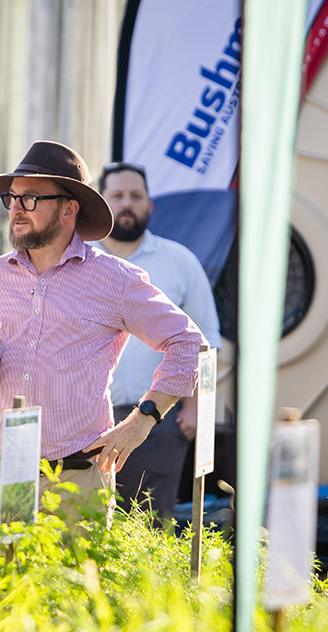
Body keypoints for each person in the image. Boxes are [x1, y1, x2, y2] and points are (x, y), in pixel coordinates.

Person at [0, 141, 206, 522]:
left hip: (76, 482)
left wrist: (142, 421)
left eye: (30, 199)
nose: (15, 209)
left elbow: (188, 342)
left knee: (74, 582)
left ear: (68, 209)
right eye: (11, 198)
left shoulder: (115, 280)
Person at [91, 161, 221, 522]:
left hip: (159, 418)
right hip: (89, 422)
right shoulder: (81, 262)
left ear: (150, 205)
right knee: (92, 524)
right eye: (117, 195)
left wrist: (194, 410)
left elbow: (206, 342)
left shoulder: (180, 262)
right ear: (102, 202)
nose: (127, 203)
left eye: (136, 195)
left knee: (153, 524)